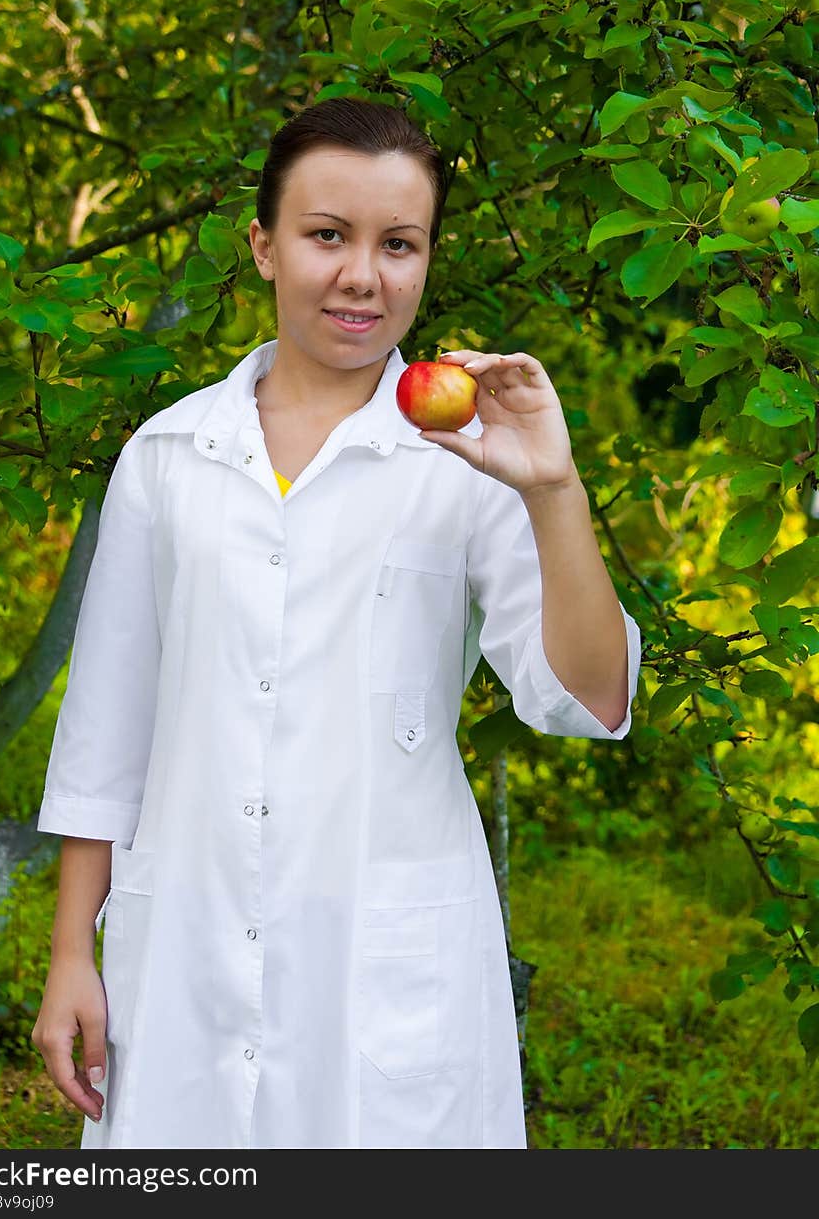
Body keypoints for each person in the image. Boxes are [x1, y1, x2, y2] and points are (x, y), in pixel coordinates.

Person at [31, 95, 642, 1150]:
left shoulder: (474, 463)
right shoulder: (169, 457)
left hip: (385, 966)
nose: (363, 275)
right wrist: (69, 957)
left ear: (425, 260)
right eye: (328, 236)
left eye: (397, 244)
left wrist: (552, 490)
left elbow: (589, 700)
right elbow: (105, 730)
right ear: (263, 247)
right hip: (184, 947)